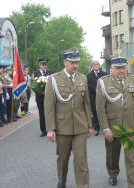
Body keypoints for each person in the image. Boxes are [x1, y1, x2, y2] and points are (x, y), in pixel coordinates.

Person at [44, 48, 93, 188]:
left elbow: (86, 104)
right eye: (72, 62)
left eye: (77, 62)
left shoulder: (82, 78)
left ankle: (83, 185)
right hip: (62, 127)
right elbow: (49, 107)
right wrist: (50, 129)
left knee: (81, 160)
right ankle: (62, 181)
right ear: (65, 62)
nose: (75, 65)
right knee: (62, 159)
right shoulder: (54, 79)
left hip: (80, 127)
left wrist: (90, 125)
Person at [96, 57, 134, 187]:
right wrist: (105, 128)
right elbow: (100, 109)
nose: (121, 70)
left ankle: (132, 184)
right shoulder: (103, 82)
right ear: (111, 69)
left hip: (130, 127)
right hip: (113, 127)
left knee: (131, 158)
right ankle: (113, 173)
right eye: (118, 68)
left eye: (123, 67)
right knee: (112, 156)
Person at [87, 60, 107, 136]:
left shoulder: (104, 74)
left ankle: (105, 127)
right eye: (94, 65)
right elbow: (88, 85)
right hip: (93, 97)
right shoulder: (89, 75)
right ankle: (96, 129)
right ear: (92, 66)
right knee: (95, 113)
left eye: (97, 64)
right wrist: (95, 90)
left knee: (103, 111)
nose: (96, 66)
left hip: (103, 97)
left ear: (99, 66)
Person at [34, 58, 52, 137]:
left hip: (49, 96)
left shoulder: (50, 72)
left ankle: (51, 129)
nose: (44, 66)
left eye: (45, 64)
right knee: (42, 113)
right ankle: (43, 130)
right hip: (40, 97)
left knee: (50, 113)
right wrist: (39, 90)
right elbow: (33, 85)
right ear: (40, 65)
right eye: (43, 64)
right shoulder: (35, 73)